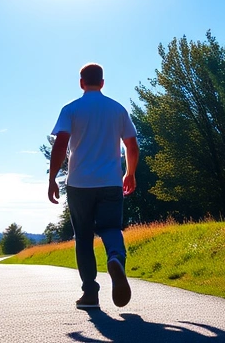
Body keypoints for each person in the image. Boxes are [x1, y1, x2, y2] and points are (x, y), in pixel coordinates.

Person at [48, 63, 139, 309]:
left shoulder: (71, 109)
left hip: (79, 184)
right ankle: (116, 259)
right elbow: (132, 146)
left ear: (81, 82)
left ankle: (90, 293)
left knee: (84, 238)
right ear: (102, 82)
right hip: (110, 182)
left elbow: (60, 145)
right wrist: (130, 174)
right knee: (110, 228)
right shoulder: (117, 109)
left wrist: (52, 178)